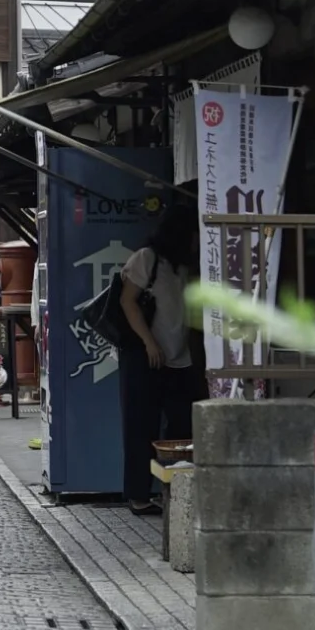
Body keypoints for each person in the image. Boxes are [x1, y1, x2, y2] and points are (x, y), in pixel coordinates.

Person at [119, 201, 207, 516]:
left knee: (182, 425)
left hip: (180, 357)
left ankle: (176, 489)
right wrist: (148, 342)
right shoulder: (147, 259)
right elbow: (127, 301)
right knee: (142, 425)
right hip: (146, 355)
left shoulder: (185, 266)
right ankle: (139, 494)